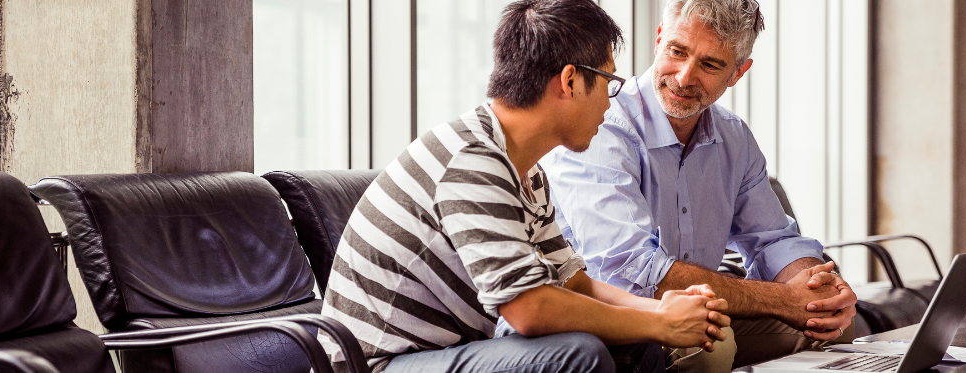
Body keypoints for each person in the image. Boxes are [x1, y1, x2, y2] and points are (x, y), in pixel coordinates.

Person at [317, 1, 730, 372]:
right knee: (578, 355)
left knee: (638, 345)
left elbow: (574, 284)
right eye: (608, 82)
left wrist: (663, 310)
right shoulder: (472, 162)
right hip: (378, 365)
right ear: (570, 82)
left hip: (442, 353)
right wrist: (661, 321)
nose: (610, 101)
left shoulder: (524, 169)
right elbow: (529, 309)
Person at [540, 0, 858, 369]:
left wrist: (817, 292)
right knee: (710, 350)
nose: (684, 77)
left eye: (710, 64)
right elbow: (633, 272)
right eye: (677, 52)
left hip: (701, 311)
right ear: (660, 40)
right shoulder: (600, 126)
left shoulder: (733, 137)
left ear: (738, 73)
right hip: (616, 315)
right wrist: (782, 299)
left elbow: (774, 239)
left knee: (829, 327)